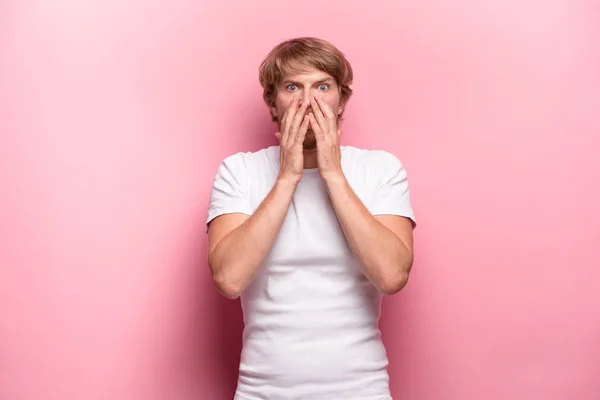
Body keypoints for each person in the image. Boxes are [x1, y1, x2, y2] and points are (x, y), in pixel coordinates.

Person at [206, 37, 416, 400]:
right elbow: (229, 278)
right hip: (262, 392)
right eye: (292, 87)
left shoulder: (380, 169)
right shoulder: (239, 172)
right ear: (273, 102)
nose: (308, 101)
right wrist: (288, 176)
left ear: (341, 101)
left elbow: (391, 275)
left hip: (361, 391)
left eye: (322, 86)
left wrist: (332, 171)